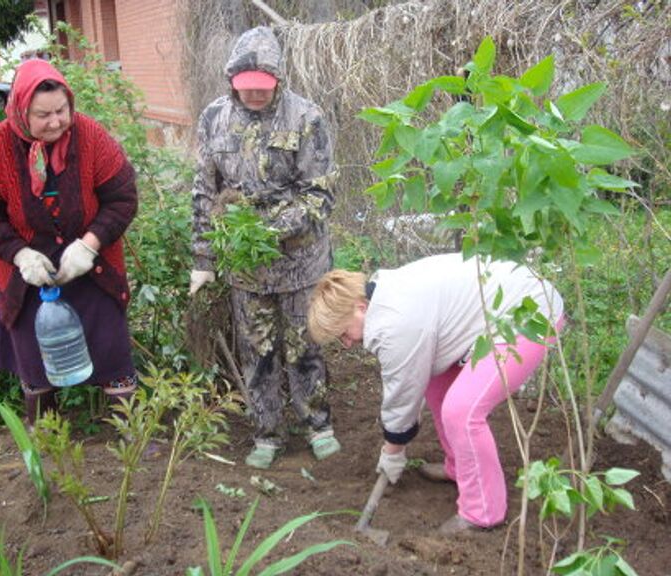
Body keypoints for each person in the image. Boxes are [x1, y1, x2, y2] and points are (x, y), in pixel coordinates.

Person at [308, 253, 565, 534]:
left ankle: (483, 513)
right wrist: (397, 441)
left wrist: (392, 450)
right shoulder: (384, 296)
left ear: (360, 307)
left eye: (343, 333)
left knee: (462, 411)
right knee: (436, 384)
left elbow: (402, 395)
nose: (346, 344)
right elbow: (414, 381)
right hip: (495, 313)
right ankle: (459, 467)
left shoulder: (394, 324)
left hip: (528, 312)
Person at [189, 26, 340, 469]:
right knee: (258, 351)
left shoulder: (306, 118)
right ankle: (268, 433)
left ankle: (318, 425)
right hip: (246, 268)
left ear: (278, 81)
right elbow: (203, 189)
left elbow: (320, 195)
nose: (254, 96)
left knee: (304, 345)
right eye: (245, 88)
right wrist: (203, 258)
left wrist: (266, 228)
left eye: (263, 88)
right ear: (232, 81)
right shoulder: (214, 118)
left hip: (301, 262)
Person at [0, 59, 138, 425]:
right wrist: (19, 254)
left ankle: (131, 433)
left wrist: (90, 245)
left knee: (111, 351)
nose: (56, 122)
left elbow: (122, 198)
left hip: (90, 269)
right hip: (29, 277)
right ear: (21, 110)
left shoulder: (90, 137)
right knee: (35, 361)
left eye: (62, 110)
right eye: (43, 115)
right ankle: (47, 438)